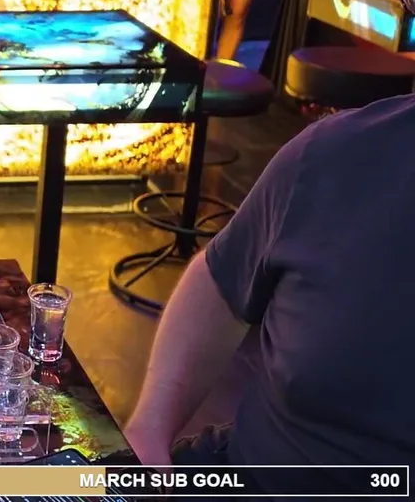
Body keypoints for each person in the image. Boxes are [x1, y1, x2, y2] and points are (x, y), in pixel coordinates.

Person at [125, 95, 415, 492]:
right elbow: (219, 276)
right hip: (237, 476)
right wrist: (148, 430)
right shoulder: (339, 150)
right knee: (48, 482)